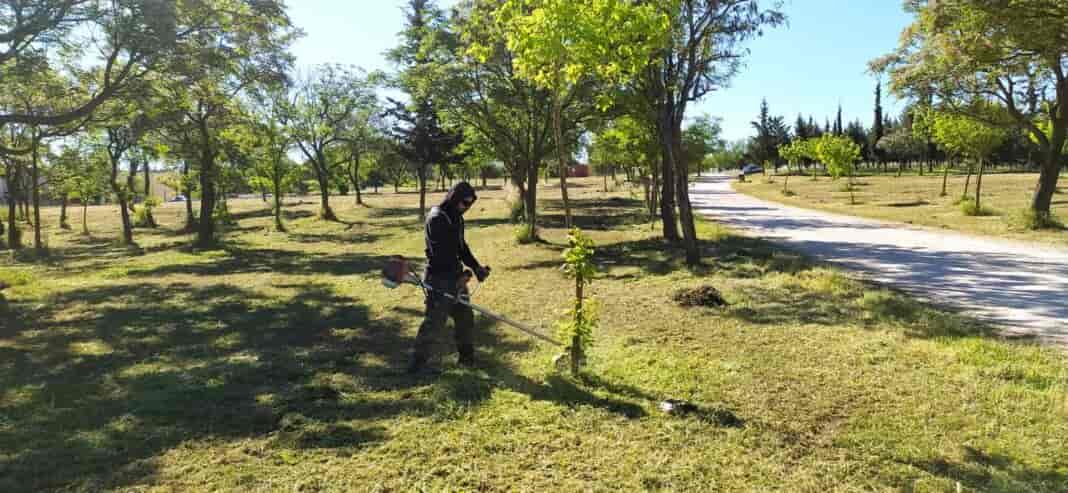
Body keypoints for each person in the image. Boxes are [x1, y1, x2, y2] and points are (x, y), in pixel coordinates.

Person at [408, 181, 491, 374]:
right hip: (439, 278)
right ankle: (416, 366)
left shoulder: (457, 218)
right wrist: (458, 279)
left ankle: (466, 360)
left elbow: (461, 247)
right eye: (464, 203)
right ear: (454, 198)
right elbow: (440, 254)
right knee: (434, 323)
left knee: (465, 319)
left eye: (470, 204)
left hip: (455, 276)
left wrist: (476, 267)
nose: (466, 208)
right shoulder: (437, 218)